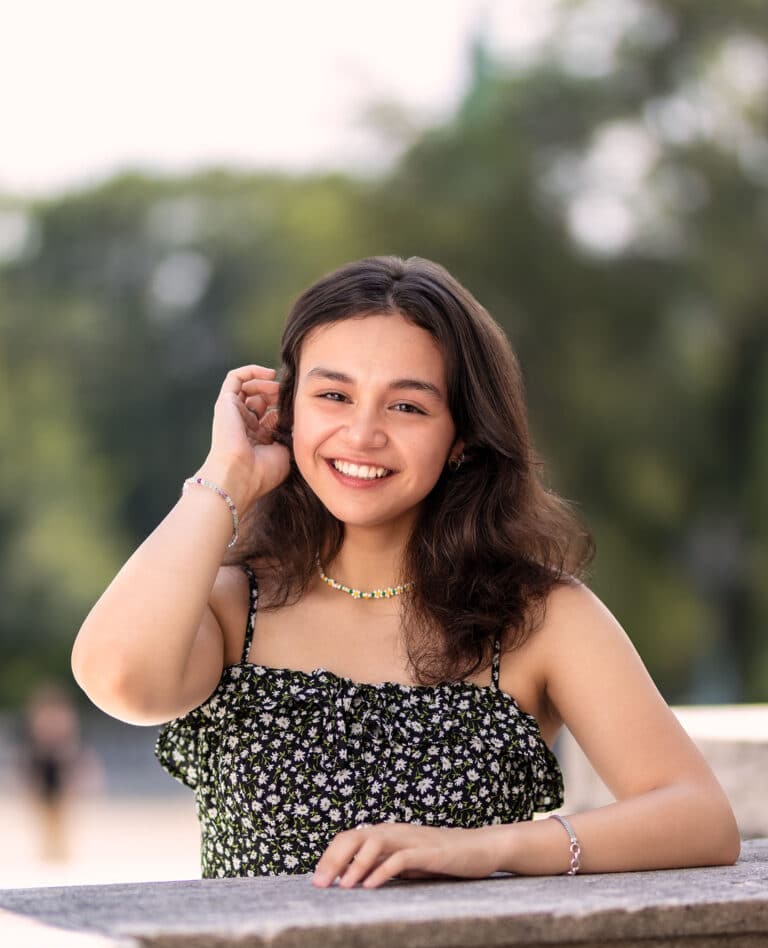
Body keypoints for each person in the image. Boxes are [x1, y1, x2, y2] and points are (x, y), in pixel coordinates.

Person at [71, 255, 740, 887]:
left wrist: (487, 848)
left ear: (463, 438)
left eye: (408, 405)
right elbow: (120, 680)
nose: (362, 434)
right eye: (332, 395)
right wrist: (228, 474)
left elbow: (700, 819)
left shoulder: (539, 617)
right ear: (288, 409)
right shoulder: (230, 606)